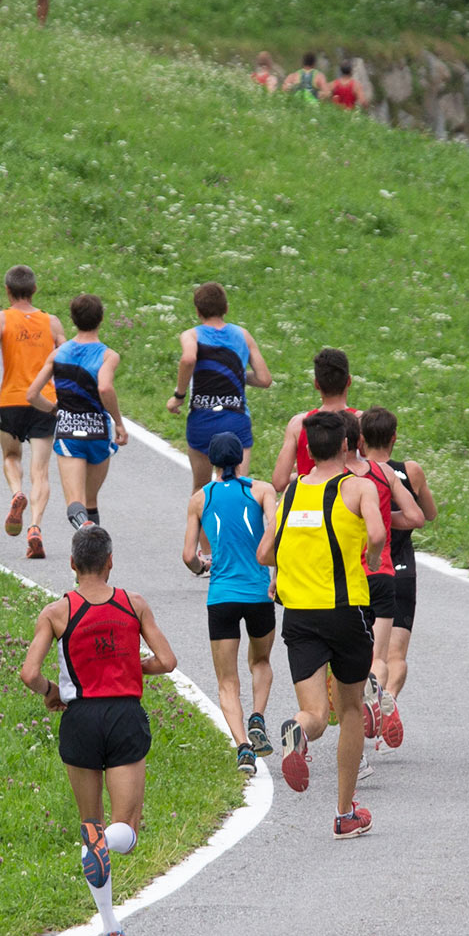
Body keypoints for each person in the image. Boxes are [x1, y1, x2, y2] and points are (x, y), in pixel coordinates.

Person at [19, 523, 177, 936]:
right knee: (126, 827)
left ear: (72, 565)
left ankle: (111, 930)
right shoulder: (134, 604)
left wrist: (52, 690)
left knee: (91, 825)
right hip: (125, 715)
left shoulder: (56, 612)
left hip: (80, 719)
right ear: (110, 562)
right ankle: (108, 846)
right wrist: (133, 666)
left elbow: (29, 673)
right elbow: (167, 660)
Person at [258, 409, 385, 837]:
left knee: (315, 710)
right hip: (345, 612)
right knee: (349, 709)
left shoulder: (292, 491)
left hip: (299, 615)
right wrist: (372, 555)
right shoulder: (359, 487)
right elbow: (380, 532)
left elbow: (264, 554)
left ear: (307, 449)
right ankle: (345, 812)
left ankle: (298, 729)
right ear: (348, 445)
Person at [181, 430, 278, 773]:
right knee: (261, 660)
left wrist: (203, 566)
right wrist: (275, 572)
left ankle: (243, 749)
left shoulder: (200, 499)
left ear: (212, 462)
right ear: (239, 460)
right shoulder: (263, 490)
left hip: (221, 596)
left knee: (227, 681)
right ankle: (258, 716)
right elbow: (275, 532)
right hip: (258, 594)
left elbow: (188, 556)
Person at [357, 407, 434, 750]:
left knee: (365, 652)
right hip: (402, 568)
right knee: (396, 654)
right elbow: (427, 514)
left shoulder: (355, 477)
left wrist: (378, 518)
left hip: (364, 569)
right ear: (394, 438)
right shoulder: (409, 471)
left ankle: (371, 700)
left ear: (360, 440)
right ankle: (386, 697)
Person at [0, 264, 64, 560]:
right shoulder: (51, 322)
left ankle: (16, 492)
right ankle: (34, 527)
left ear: (7, 291)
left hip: (12, 400)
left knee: (11, 455)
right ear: (34, 290)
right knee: (41, 471)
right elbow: (65, 354)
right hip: (45, 401)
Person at [26, 294, 125, 533]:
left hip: (69, 432)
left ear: (73, 319)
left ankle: (86, 535)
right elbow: (104, 387)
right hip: (98, 433)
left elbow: (32, 394)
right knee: (90, 501)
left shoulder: (59, 354)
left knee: (75, 503)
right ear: (101, 319)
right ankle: (95, 553)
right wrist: (119, 423)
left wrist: (53, 410)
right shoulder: (108, 356)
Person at [164, 280, 272, 491]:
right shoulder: (243, 335)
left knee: (201, 490)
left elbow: (188, 359)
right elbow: (265, 379)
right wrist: (237, 374)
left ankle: (198, 525)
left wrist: (179, 395)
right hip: (235, 418)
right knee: (237, 489)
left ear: (197, 311)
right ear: (226, 308)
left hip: (202, 419)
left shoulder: (191, 335)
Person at [269, 347, 359, 488]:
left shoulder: (299, 424)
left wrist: (301, 475)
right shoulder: (361, 421)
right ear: (349, 381)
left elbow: (279, 482)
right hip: (352, 502)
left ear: (316, 384)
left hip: (309, 504)